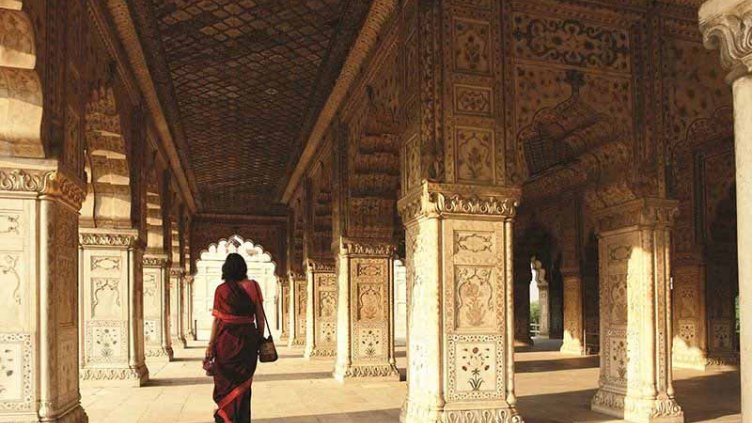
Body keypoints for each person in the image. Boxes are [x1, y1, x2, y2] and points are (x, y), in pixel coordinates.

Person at [206, 253, 265, 423]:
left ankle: (226, 417)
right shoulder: (253, 286)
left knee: (226, 381)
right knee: (244, 384)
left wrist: (210, 345)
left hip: (226, 342)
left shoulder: (221, 289)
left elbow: (217, 320)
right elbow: (260, 317)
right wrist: (259, 340)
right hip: (248, 341)